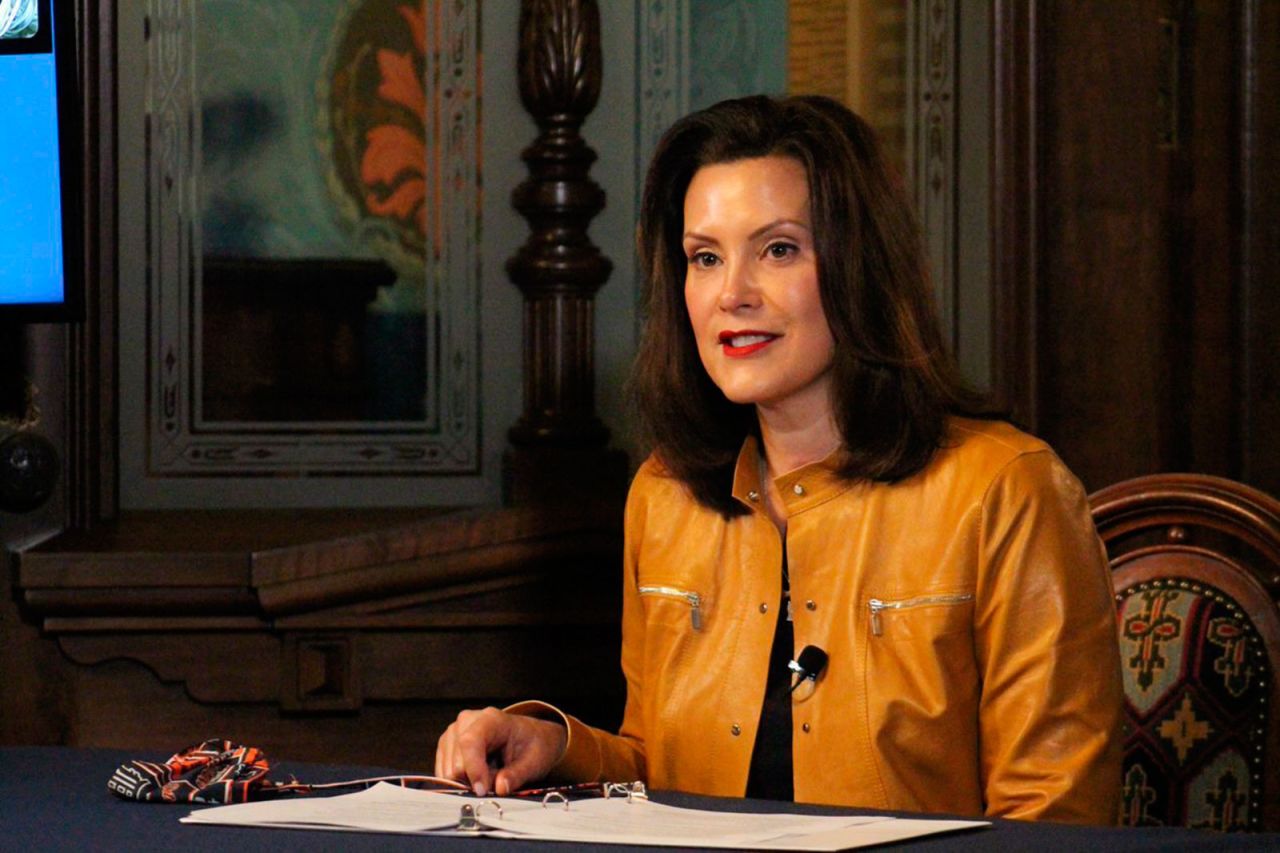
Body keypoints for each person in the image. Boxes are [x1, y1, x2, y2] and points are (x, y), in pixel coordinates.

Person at [436, 95, 1123, 824]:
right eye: (705, 257)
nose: (732, 293)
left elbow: (1055, 816)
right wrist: (555, 743)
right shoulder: (664, 496)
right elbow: (664, 772)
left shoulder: (1008, 490)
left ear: (859, 264)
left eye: (779, 249)